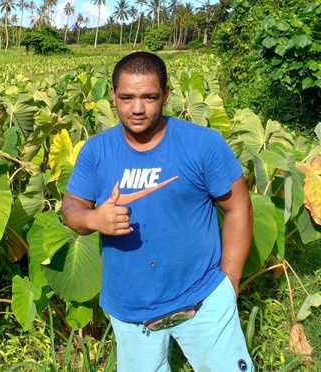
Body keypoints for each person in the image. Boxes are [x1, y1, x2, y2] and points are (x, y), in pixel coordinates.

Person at [62, 51, 254, 372]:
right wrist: (92, 218)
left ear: (166, 94)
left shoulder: (202, 144)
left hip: (203, 297)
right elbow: (71, 208)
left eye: (149, 97)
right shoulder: (96, 150)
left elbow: (238, 207)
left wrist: (230, 279)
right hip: (130, 307)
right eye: (126, 97)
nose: (137, 108)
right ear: (112, 95)